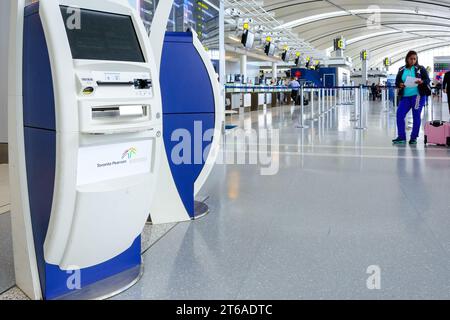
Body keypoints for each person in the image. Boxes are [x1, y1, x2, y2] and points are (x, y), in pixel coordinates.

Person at [392, 50, 431, 145]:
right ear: (407, 59)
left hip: (417, 96)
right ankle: (401, 137)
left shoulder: (420, 69)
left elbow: (427, 80)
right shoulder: (401, 69)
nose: (413, 60)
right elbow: (397, 82)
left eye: (415, 59)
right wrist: (400, 84)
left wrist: (421, 81)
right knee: (399, 115)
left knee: (416, 116)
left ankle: (413, 138)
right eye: (411, 59)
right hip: (405, 97)